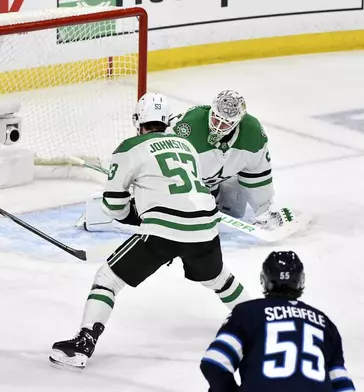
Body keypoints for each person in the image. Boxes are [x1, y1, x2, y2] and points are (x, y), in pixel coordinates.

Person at [49, 93, 251, 370]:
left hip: (163, 230)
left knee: (107, 278)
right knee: (219, 279)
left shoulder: (129, 147)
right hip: (206, 224)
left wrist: (133, 214)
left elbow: (113, 205)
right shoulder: (186, 145)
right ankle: (261, 325)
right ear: (168, 121)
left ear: (137, 121)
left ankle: (83, 344)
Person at [80, 90, 297, 234]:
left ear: (239, 121)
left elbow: (257, 178)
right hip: (198, 187)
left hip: (224, 181)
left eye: (226, 123)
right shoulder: (187, 128)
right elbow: (157, 162)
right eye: (215, 118)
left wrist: (264, 210)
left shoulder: (253, 135)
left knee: (235, 212)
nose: (218, 126)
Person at [201, 251, 356, 392]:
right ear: (301, 281)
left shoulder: (248, 313)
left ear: (264, 279)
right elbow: (342, 384)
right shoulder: (324, 323)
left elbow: (215, 362)